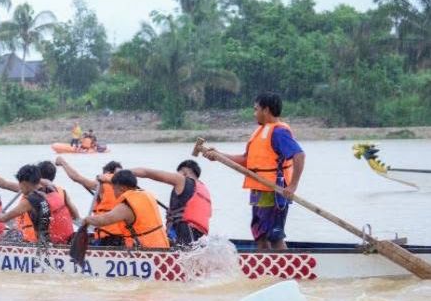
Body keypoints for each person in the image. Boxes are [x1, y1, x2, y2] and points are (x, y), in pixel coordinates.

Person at [203, 92, 305, 250]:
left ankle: (286, 271)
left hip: (274, 191)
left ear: (266, 110)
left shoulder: (278, 133)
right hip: (259, 191)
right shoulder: (260, 132)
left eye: (256, 109)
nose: (254, 113)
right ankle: (265, 270)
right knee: (259, 234)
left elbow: (299, 155)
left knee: (274, 235)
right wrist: (219, 155)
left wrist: (292, 186)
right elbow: (246, 161)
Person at [126, 160, 212, 247]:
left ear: (184, 172)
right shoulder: (203, 189)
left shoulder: (181, 179)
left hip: (184, 233)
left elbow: (146, 172)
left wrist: (123, 173)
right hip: (199, 238)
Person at [81, 170, 170, 249]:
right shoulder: (146, 195)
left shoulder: (126, 207)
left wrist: (87, 219)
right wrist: (108, 180)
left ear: (122, 188)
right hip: (163, 247)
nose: (114, 193)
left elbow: (104, 220)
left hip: (146, 252)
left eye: (114, 189)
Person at [0, 164, 74, 245]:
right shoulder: (52, 189)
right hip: (66, 238)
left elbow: (4, 218)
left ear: (24, 183)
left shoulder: (31, 201)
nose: (19, 186)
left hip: (49, 245)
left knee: (1, 240)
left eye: (19, 183)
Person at [56, 157, 127, 245]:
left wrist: (63, 163)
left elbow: (77, 178)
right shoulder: (126, 185)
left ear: (107, 173)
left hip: (107, 236)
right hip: (124, 236)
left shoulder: (102, 183)